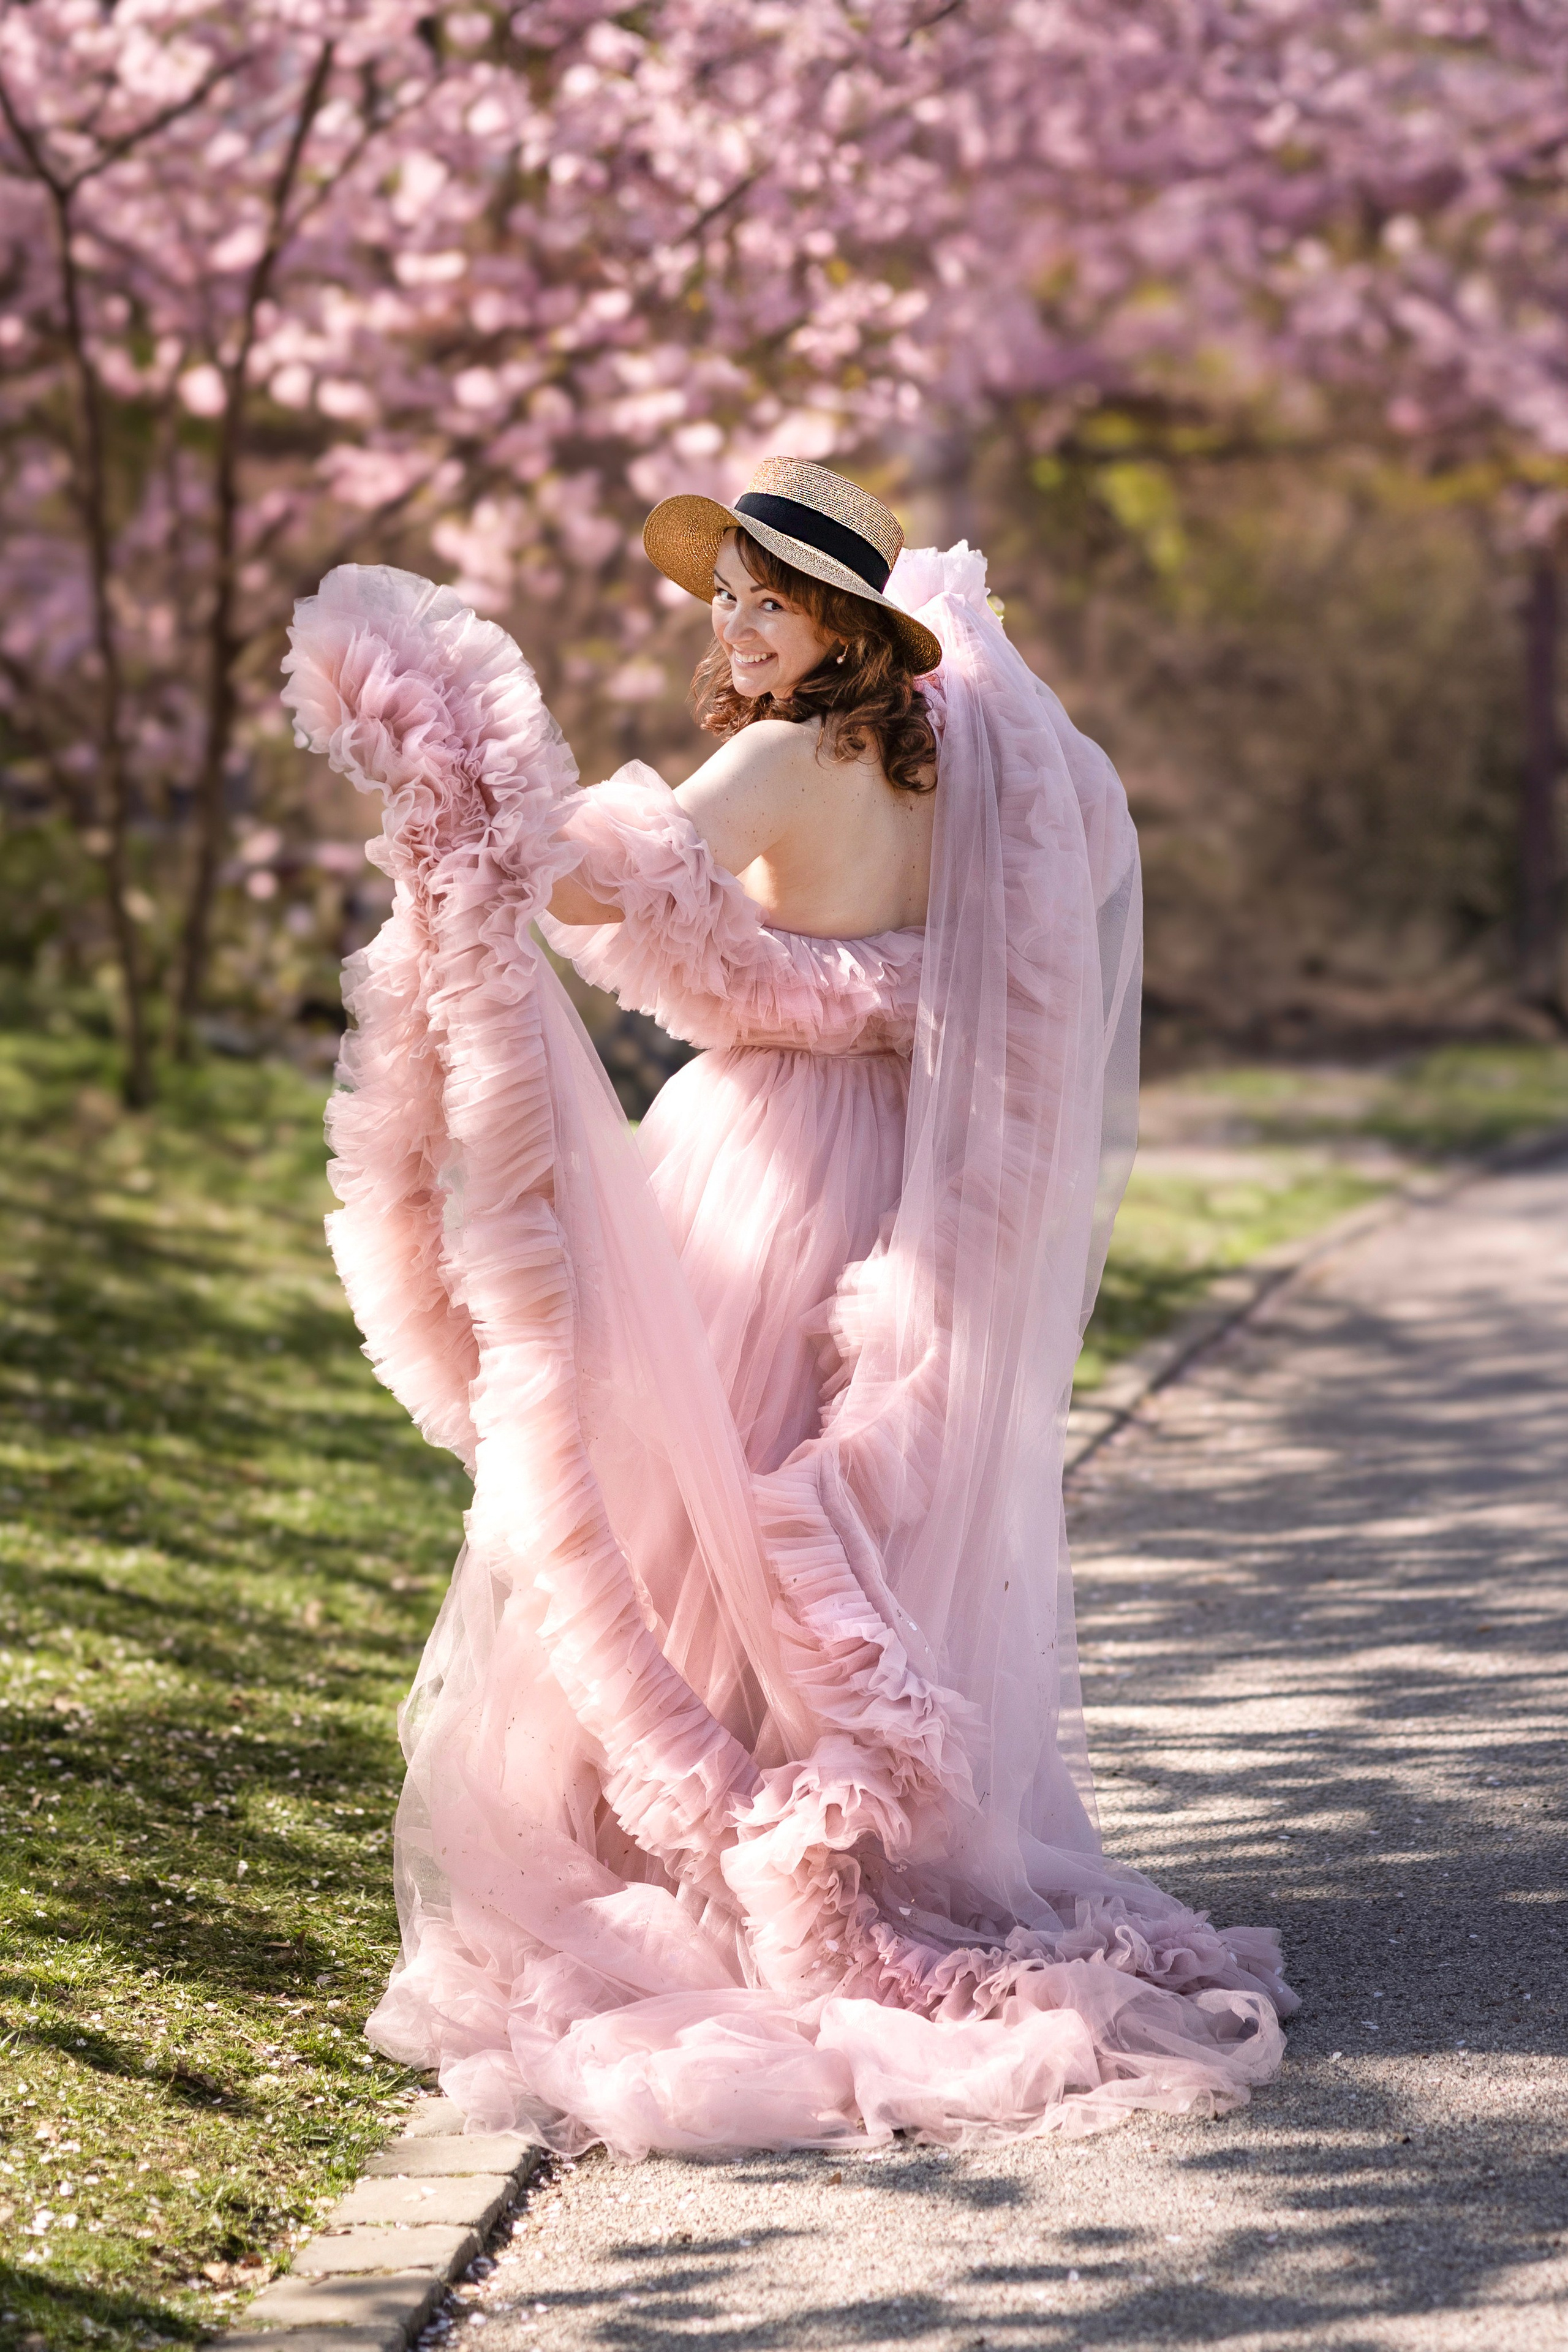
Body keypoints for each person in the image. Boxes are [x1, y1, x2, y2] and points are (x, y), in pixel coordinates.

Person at [282, 458, 1295, 2159]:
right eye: (726, 600)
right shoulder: (952, 763)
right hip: (908, 1162)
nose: (733, 628)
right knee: (828, 1500)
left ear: (843, 627)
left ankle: (691, 1842)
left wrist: (471, 804)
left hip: (769, 1151)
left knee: (696, 1483)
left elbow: (600, 886)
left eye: (765, 601)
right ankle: (856, 1825)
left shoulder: (769, 759)